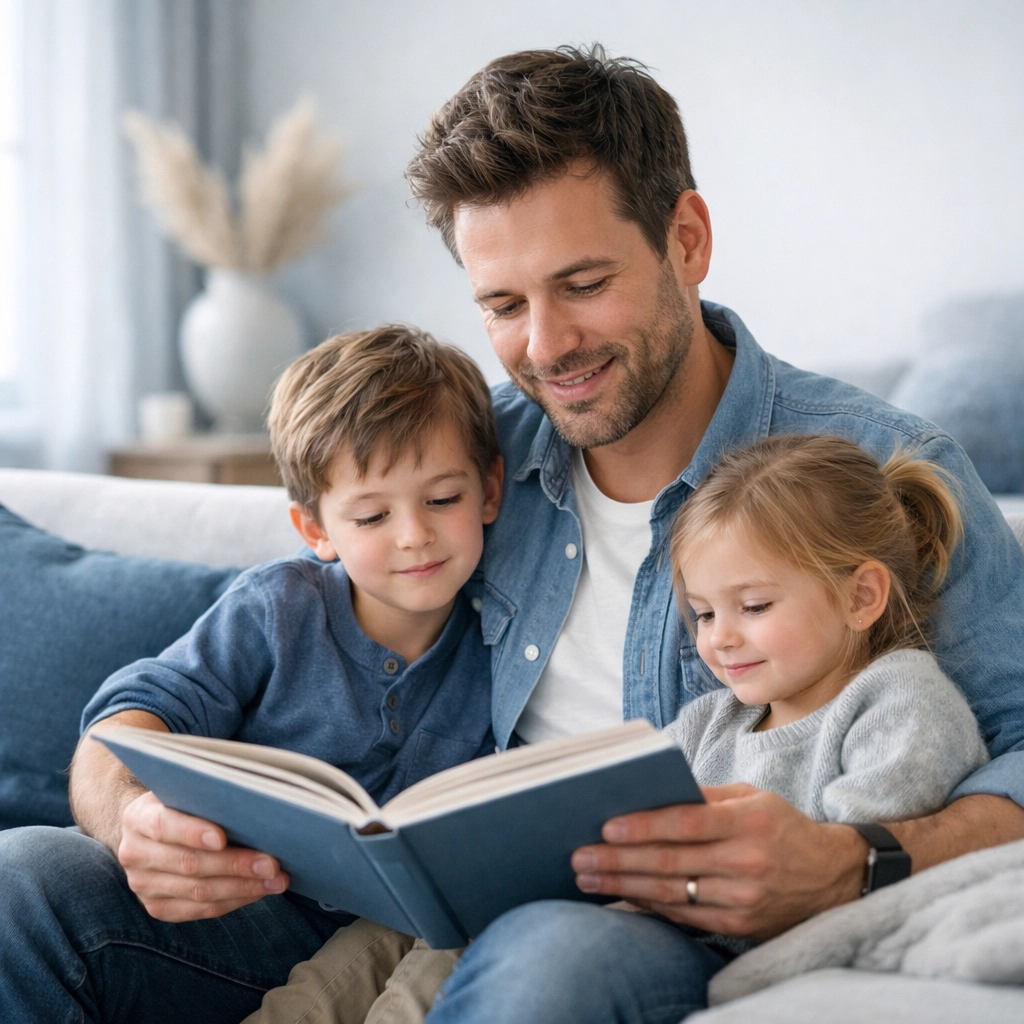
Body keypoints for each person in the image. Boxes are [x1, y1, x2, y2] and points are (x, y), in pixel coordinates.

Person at [402, 46, 1024, 1024]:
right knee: (63, 882)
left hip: (647, 935)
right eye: (503, 305)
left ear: (686, 239)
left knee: (547, 965)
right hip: (455, 898)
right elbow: (287, 632)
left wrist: (850, 859)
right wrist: (130, 780)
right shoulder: (455, 467)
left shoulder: (883, 464)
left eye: (582, 282)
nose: (546, 344)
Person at [0, 325, 503, 1023]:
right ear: (315, 528)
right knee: (20, 875)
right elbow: (129, 718)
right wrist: (133, 815)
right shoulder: (281, 607)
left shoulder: (511, 642)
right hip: (238, 915)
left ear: (489, 490)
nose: (414, 533)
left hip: (402, 952)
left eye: (442, 499)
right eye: (372, 514)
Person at [665, 434, 989, 854]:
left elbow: (841, 870)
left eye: (754, 606)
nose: (720, 638)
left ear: (861, 597)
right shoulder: (703, 726)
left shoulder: (903, 705)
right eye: (705, 614)